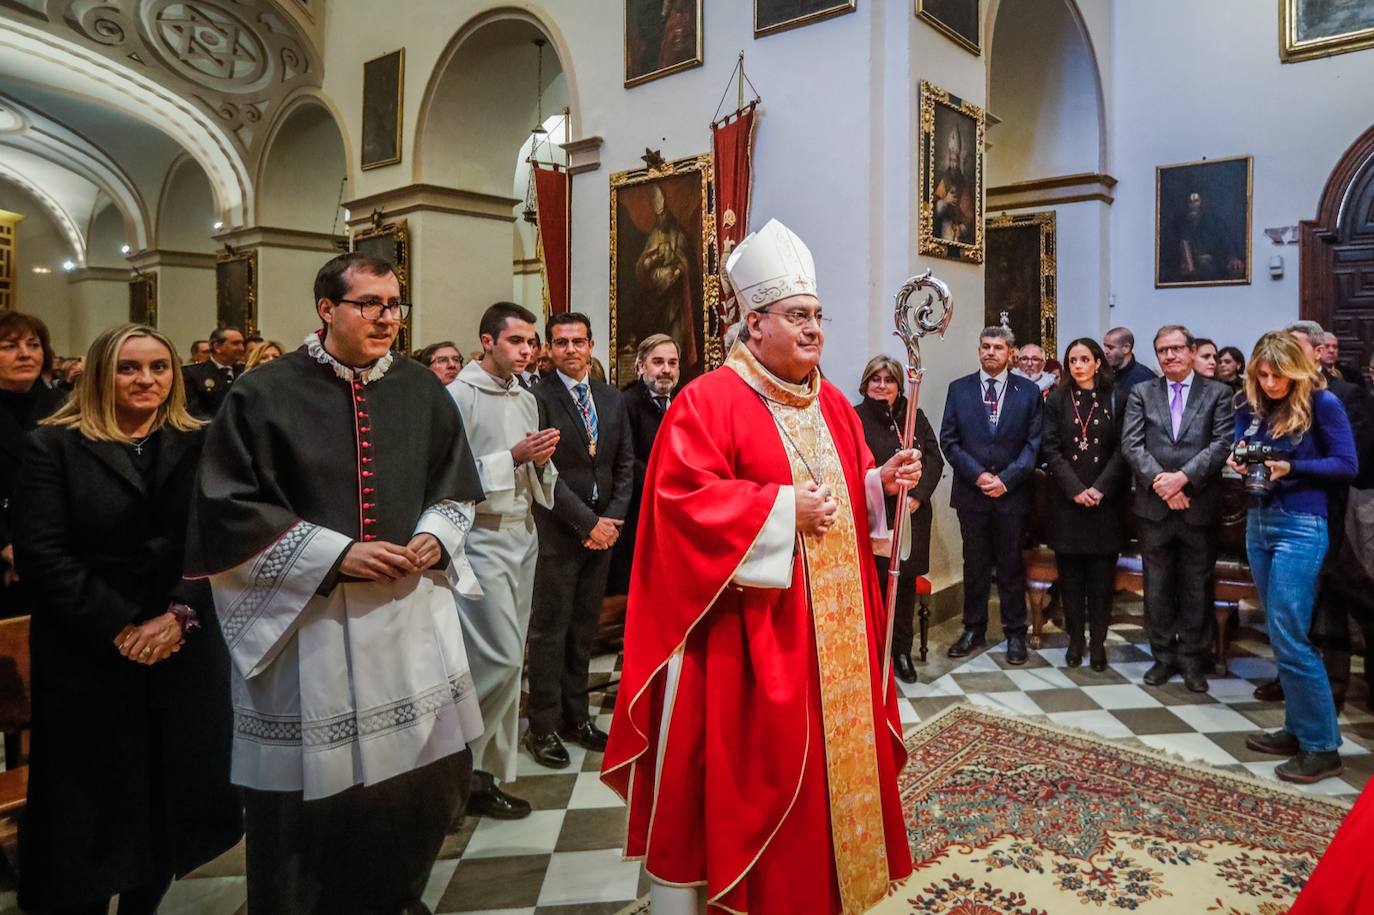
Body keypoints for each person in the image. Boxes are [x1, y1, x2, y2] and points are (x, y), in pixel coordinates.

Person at [602, 218, 919, 914]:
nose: (815, 330)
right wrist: (779, 510)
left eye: (817, 316)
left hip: (830, 642)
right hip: (748, 642)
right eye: (798, 316)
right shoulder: (706, 401)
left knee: (833, 780)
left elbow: (844, 495)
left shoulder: (832, 401)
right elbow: (681, 507)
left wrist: (878, 484)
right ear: (754, 321)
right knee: (764, 780)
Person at [187, 252, 487, 913]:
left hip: (407, 619)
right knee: (306, 799)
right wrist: (332, 556)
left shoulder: (420, 389)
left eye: (394, 304)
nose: (387, 317)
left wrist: (437, 532)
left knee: (414, 783)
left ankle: (394, 895)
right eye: (370, 304)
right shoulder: (264, 392)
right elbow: (226, 504)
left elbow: (456, 482)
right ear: (327, 308)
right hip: (309, 625)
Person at [13, 323, 240, 914]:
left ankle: (146, 902)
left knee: (171, 793)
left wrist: (179, 615)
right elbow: (44, 555)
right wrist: (121, 627)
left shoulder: (200, 440)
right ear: (99, 375)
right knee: (91, 803)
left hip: (180, 643)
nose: (147, 380)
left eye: (159, 368)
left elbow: (215, 541)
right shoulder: (51, 445)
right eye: (129, 368)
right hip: (89, 648)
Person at [447, 302, 559, 820]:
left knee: (510, 664)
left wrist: (539, 461)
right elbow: (450, 475)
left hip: (523, 533)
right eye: (517, 340)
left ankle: (481, 778)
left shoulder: (526, 397)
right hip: (481, 539)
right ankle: (448, 773)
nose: (527, 350)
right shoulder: (457, 397)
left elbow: (534, 474)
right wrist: (512, 457)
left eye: (531, 341)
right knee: (498, 660)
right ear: (487, 341)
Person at [1233, 332, 1356, 783]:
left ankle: (1323, 747)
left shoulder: (1323, 405)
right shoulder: (1251, 406)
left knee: (1292, 635)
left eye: (1276, 375)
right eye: (1261, 375)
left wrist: (1293, 467)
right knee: (1279, 632)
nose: (1268, 383)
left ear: (1295, 370)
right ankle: (1297, 728)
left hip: (1302, 523)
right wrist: (1240, 461)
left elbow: (1346, 465)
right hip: (1259, 521)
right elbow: (1242, 450)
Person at [525, 312, 634, 769]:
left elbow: (624, 463)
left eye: (578, 341)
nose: (570, 349)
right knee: (550, 632)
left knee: (584, 629)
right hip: (559, 530)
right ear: (548, 349)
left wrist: (611, 518)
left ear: (592, 346)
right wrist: (587, 523)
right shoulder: (537, 398)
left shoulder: (611, 399)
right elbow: (541, 470)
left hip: (602, 533)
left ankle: (577, 716)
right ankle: (544, 725)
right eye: (560, 341)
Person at [1121, 325, 1234, 693]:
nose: (1169, 356)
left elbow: (1220, 445)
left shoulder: (1217, 393)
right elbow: (1132, 445)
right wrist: (1163, 483)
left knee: (1196, 586)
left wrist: (1182, 479)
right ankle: (1163, 656)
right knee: (1156, 586)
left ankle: (1192, 658)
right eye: (1162, 351)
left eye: (1175, 349)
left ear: (1190, 351)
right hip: (1154, 508)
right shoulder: (1142, 392)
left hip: (1197, 505)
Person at [940, 325, 1044, 665]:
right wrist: (980, 475)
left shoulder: (1028, 392)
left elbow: (1033, 445)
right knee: (975, 565)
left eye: (998, 347)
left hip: (1012, 496)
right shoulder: (959, 389)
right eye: (985, 346)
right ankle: (973, 628)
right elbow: (950, 441)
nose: (990, 352)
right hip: (972, 494)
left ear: (1010, 353)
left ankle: (1015, 632)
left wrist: (1007, 480)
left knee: (1011, 565)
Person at [854, 354, 942, 684]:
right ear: (866, 384)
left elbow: (934, 459)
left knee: (903, 586)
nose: (882, 385)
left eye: (889, 380)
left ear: (899, 386)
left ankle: (901, 651)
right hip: (875, 517)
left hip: (911, 517)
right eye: (875, 379)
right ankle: (873, 652)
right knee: (874, 587)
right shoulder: (855, 417)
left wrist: (918, 497)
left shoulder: (913, 415)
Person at [1042, 338, 1129, 671]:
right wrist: (1076, 489)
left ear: (1097, 363)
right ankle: (1075, 640)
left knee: (1101, 580)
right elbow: (1050, 448)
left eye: (1083, 359)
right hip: (1068, 502)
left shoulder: (1115, 397)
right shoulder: (1056, 400)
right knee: (1071, 579)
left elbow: (1123, 449)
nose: (1077, 365)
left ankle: (1098, 644)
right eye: (1072, 360)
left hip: (1105, 503)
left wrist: (1100, 488)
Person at [0, 312, 65, 617]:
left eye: (33, 344)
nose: (25, 354)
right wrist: (6, 546)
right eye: (10, 346)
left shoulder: (66, 406)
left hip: (59, 553)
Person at [608, 333, 679, 597]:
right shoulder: (624, 403)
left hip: (676, 510)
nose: (666, 370)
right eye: (658, 362)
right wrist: (662, 481)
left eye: (672, 363)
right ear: (640, 367)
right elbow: (624, 458)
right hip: (638, 508)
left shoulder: (685, 401)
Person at [635, 186, 697, 368]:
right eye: (658, 215)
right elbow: (644, 266)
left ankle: (679, 366)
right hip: (657, 297)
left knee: (676, 335)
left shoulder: (679, 235)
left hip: (676, 300)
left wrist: (679, 270)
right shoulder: (654, 235)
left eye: (663, 214)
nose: (661, 219)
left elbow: (686, 261)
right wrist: (651, 261)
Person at [181, 325, 246, 419]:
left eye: (242, 343)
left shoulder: (246, 372)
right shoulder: (193, 374)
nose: (242, 348)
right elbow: (192, 411)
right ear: (217, 347)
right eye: (236, 343)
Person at [933, 124, 976, 244]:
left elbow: (970, 216)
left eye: (956, 161)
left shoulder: (964, 184)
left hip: (959, 235)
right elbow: (933, 208)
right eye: (951, 161)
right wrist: (945, 201)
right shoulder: (945, 180)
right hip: (945, 231)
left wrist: (961, 228)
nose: (954, 165)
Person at [1103, 326, 1158, 390]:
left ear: (1126, 348)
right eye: (1105, 346)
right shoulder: (1105, 374)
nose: (1105, 351)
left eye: (1110, 347)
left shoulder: (1146, 379)